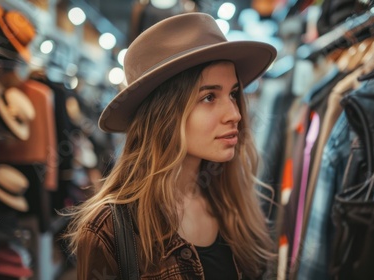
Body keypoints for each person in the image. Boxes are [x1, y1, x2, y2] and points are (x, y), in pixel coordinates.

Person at [64, 12, 278, 279]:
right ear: (163, 114)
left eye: (233, 94)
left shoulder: (234, 202)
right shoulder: (110, 230)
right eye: (209, 96)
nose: (234, 114)